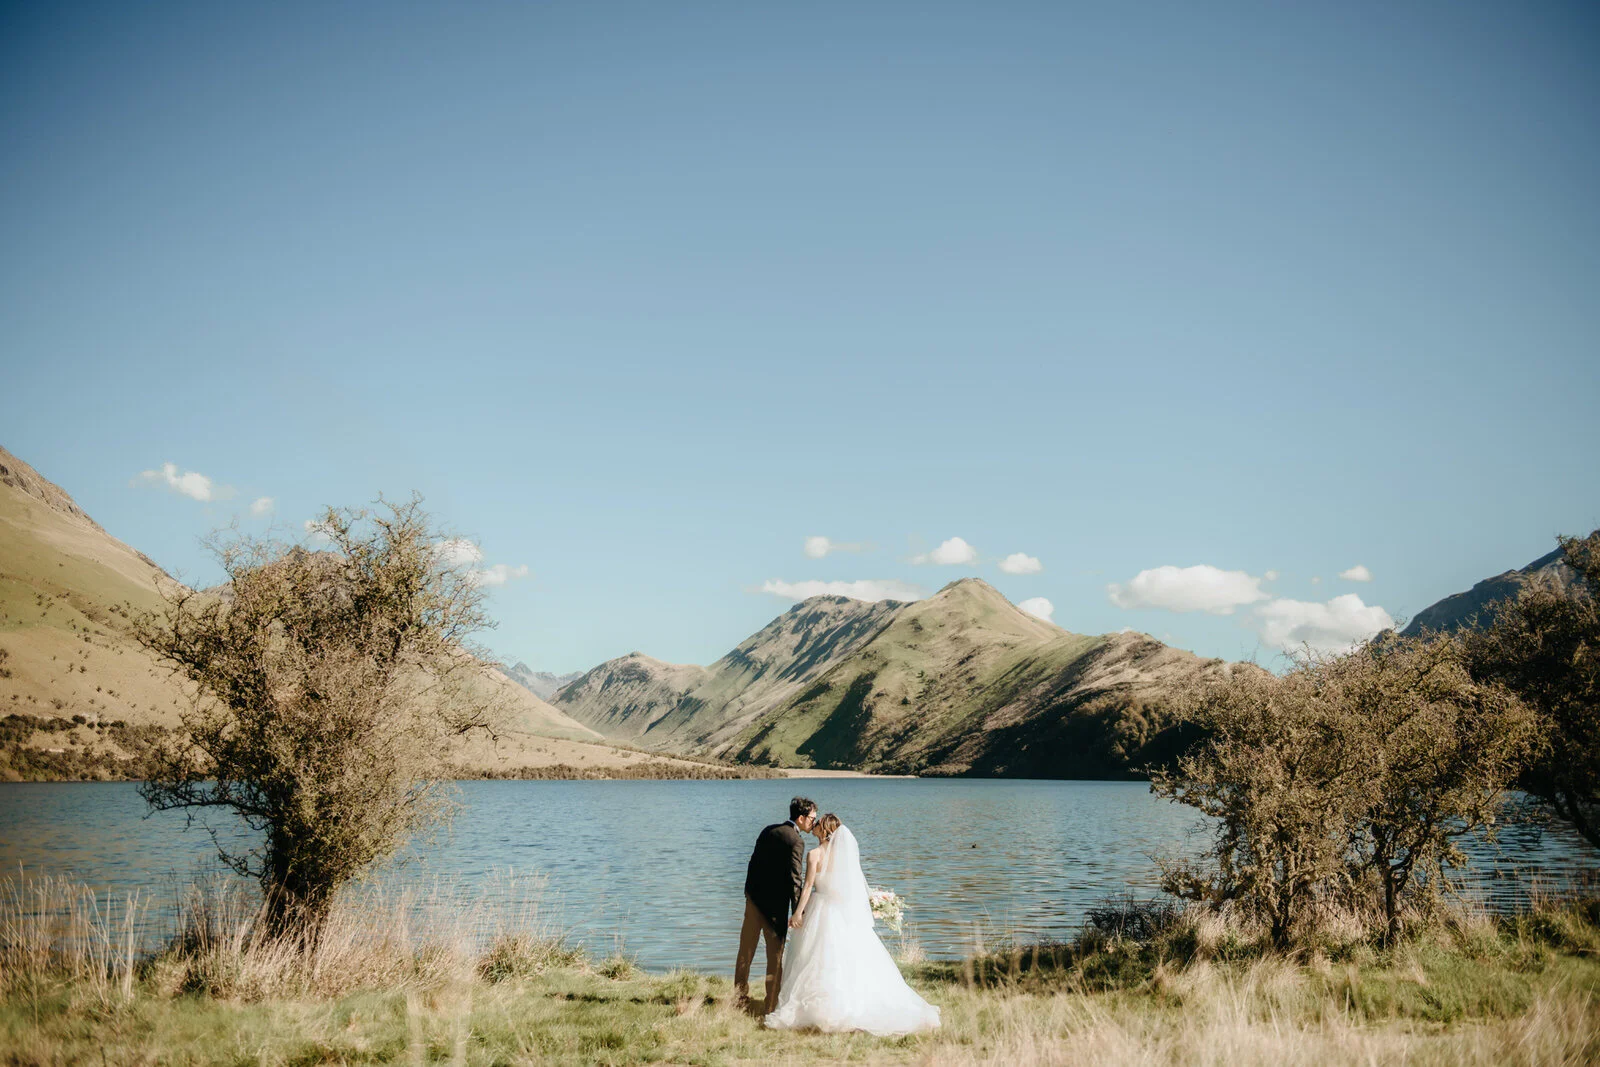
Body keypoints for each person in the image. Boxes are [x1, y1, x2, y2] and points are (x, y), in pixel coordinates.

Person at [764, 813, 941, 1035]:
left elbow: (808, 887)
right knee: (846, 957)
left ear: (825, 831)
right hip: (841, 912)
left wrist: (798, 913)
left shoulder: (814, 854)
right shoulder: (843, 857)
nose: (814, 826)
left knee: (816, 957)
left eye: (818, 824)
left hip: (820, 910)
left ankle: (821, 1008)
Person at [734, 795, 816, 1010]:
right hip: (775, 908)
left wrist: (748, 895)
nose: (813, 823)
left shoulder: (768, 830)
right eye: (812, 818)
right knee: (775, 955)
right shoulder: (796, 840)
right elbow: (795, 878)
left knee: (746, 950)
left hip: (753, 902)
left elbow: (753, 864)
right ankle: (771, 1002)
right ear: (801, 818)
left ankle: (739, 998)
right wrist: (799, 910)